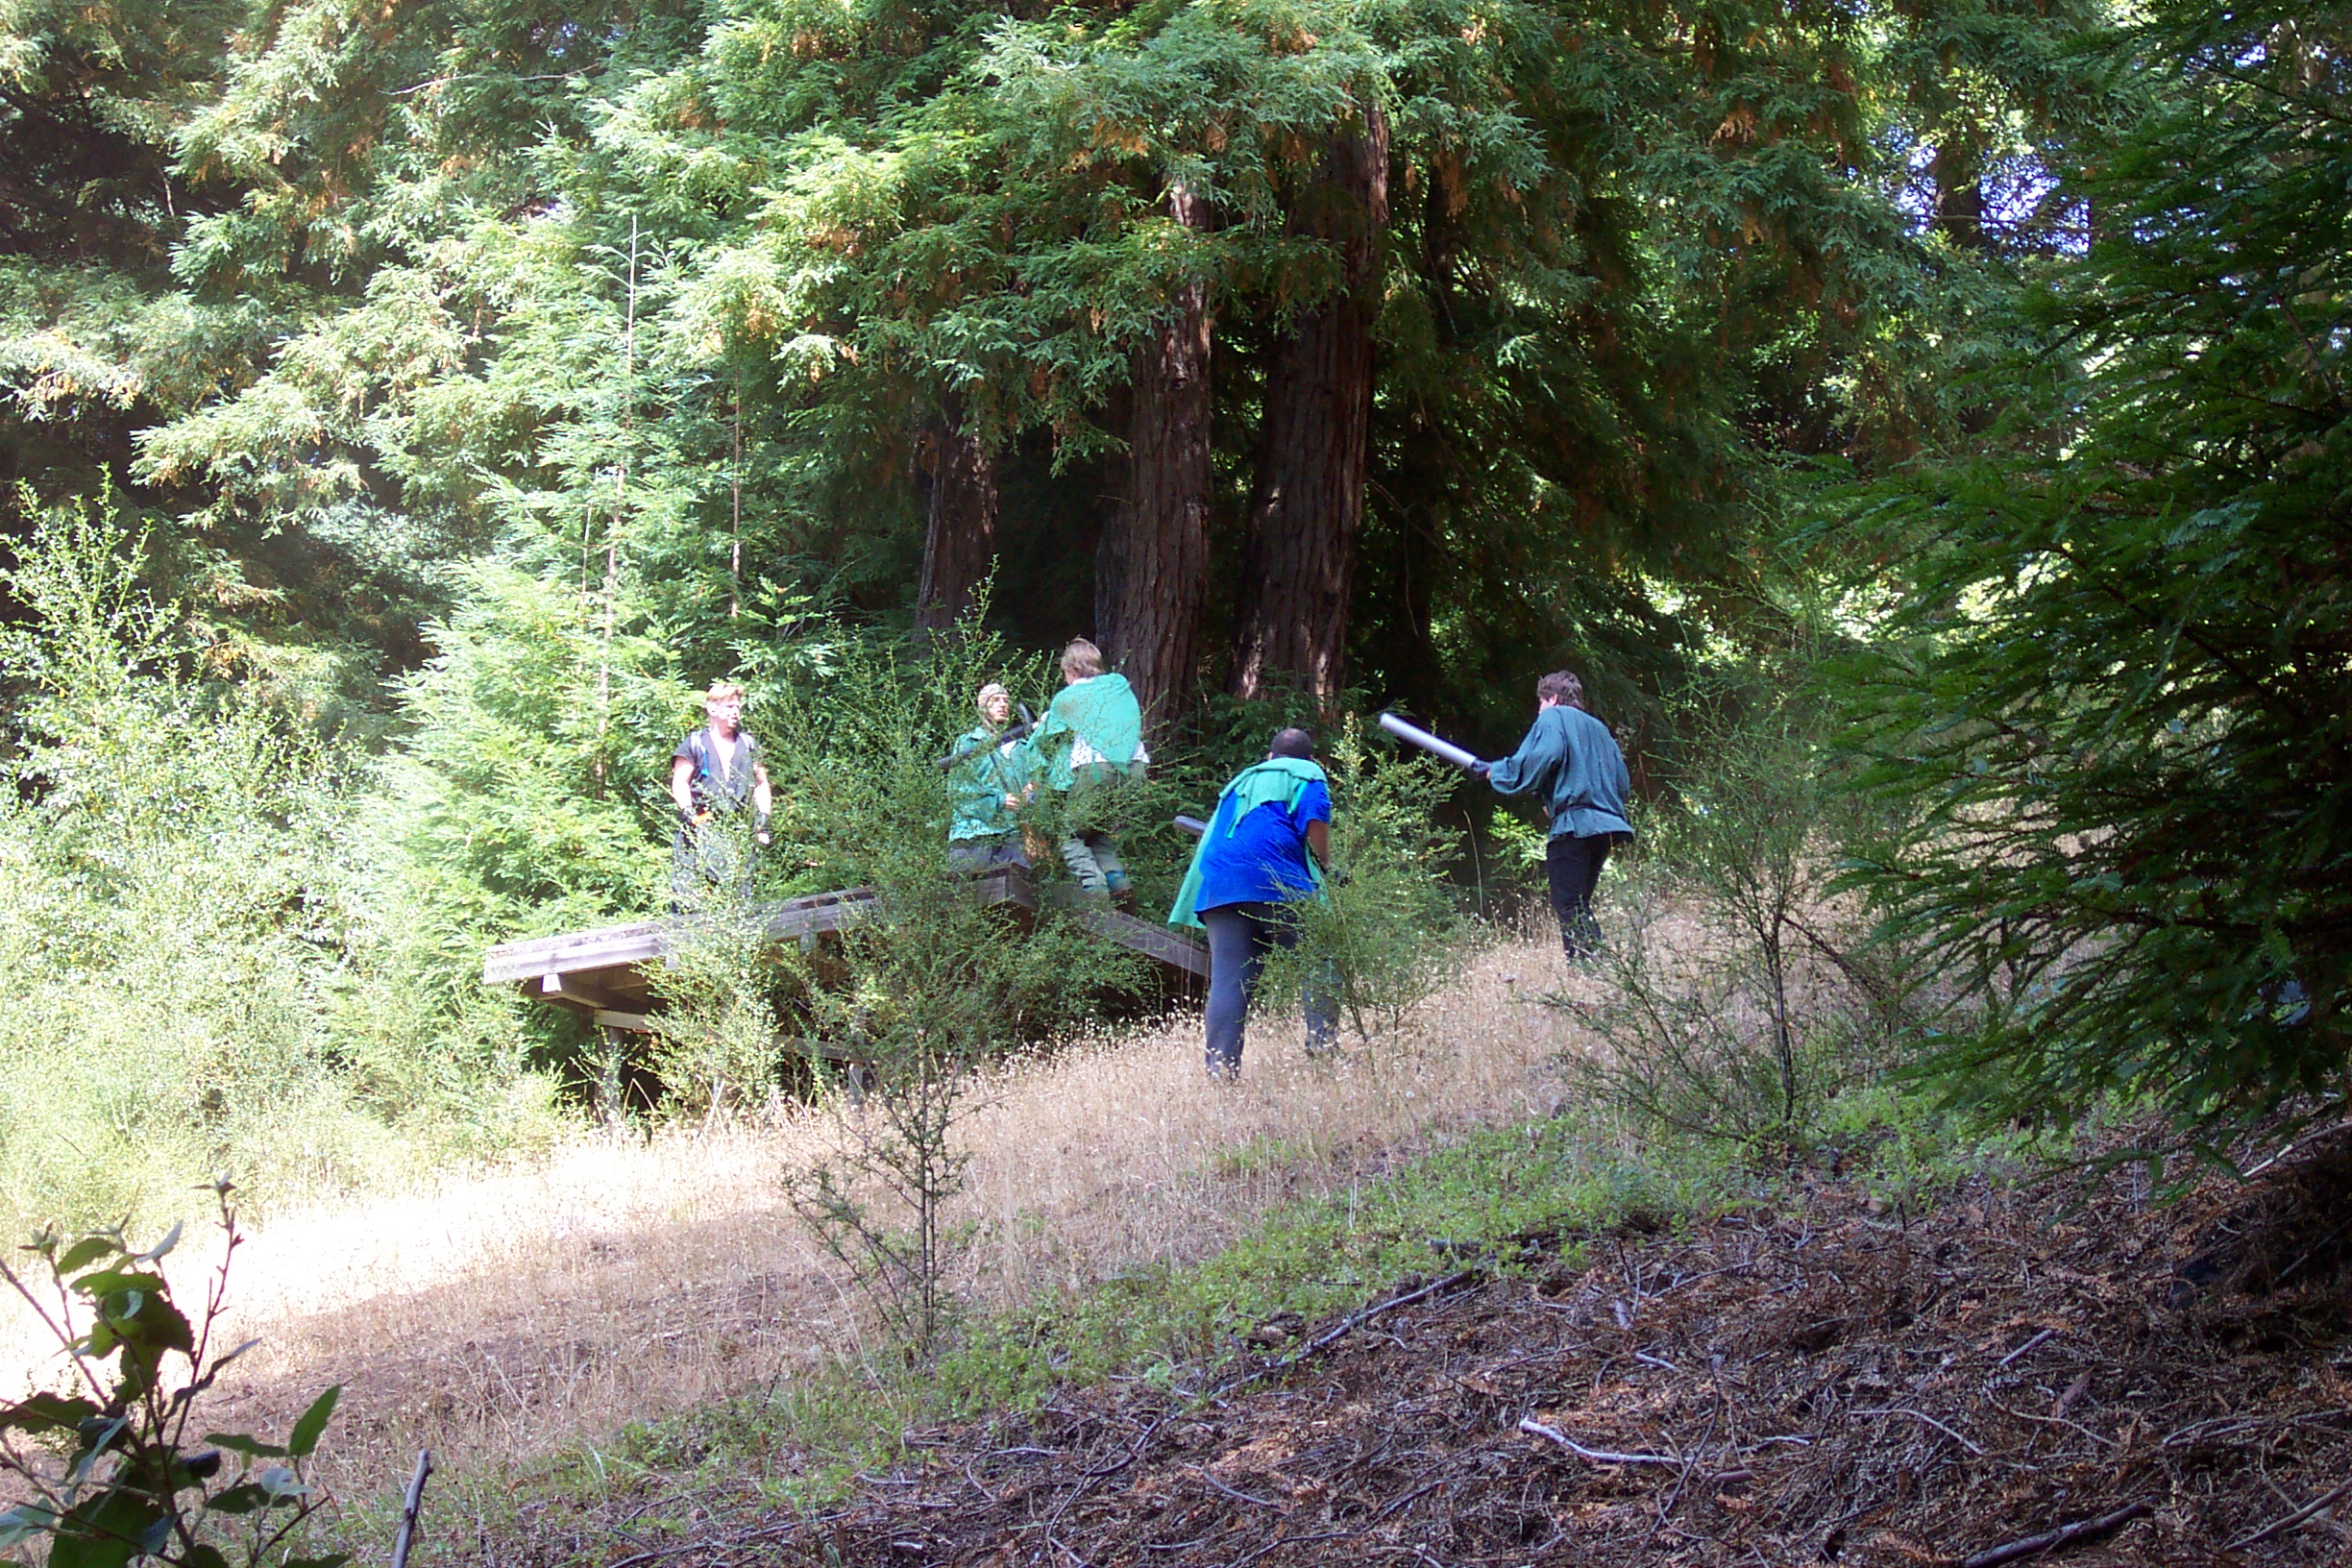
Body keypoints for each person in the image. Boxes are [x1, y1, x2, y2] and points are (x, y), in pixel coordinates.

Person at [1168, 727, 1338, 1079]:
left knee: (1229, 981)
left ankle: (1220, 1072)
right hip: (1276, 881)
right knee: (1318, 958)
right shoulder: (1309, 774)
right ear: (1310, 758)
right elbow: (1316, 831)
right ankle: (1323, 1050)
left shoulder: (1241, 782)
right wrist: (1328, 868)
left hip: (1219, 887)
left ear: (1269, 757)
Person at [1475, 670, 1631, 958]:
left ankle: (1594, 966)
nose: (1539, 711)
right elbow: (1621, 782)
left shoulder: (1553, 718)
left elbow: (1540, 757)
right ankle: (1597, 969)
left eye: (1541, 703)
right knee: (1579, 903)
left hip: (1574, 828)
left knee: (1568, 903)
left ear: (1553, 698)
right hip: (1605, 829)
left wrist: (1495, 772)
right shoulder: (1600, 730)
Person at [1028, 638, 1147, 902]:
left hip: (1098, 771)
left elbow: (1044, 737)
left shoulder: (1069, 696)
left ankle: (1095, 890)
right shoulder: (1118, 685)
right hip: (1136, 770)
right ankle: (1118, 881)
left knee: (1069, 834)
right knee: (1095, 831)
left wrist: (1039, 728)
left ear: (1071, 669)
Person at [670, 681, 773, 905]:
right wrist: (690, 814)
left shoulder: (748, 744)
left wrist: (763, 818)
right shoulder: (694, 743)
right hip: (699, 831)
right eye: (729, 707)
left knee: (740, 897)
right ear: (712, 709)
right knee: (689, 900)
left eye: (737, 707)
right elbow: (680, 782)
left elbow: (761, 784)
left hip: (738, 832)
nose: (735, 712)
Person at [947, 681, 1034, 870]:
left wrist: (1031, 792)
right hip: (974, 835)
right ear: (983, 707)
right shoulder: (968, 743)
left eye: (1006, 701)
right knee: (971, 886)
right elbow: (959, 792)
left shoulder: (1021, 747)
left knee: (1019, 884)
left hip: (1012, 835)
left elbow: (1036, 778)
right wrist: (999, 801)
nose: (1002, 705)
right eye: (995, 700)